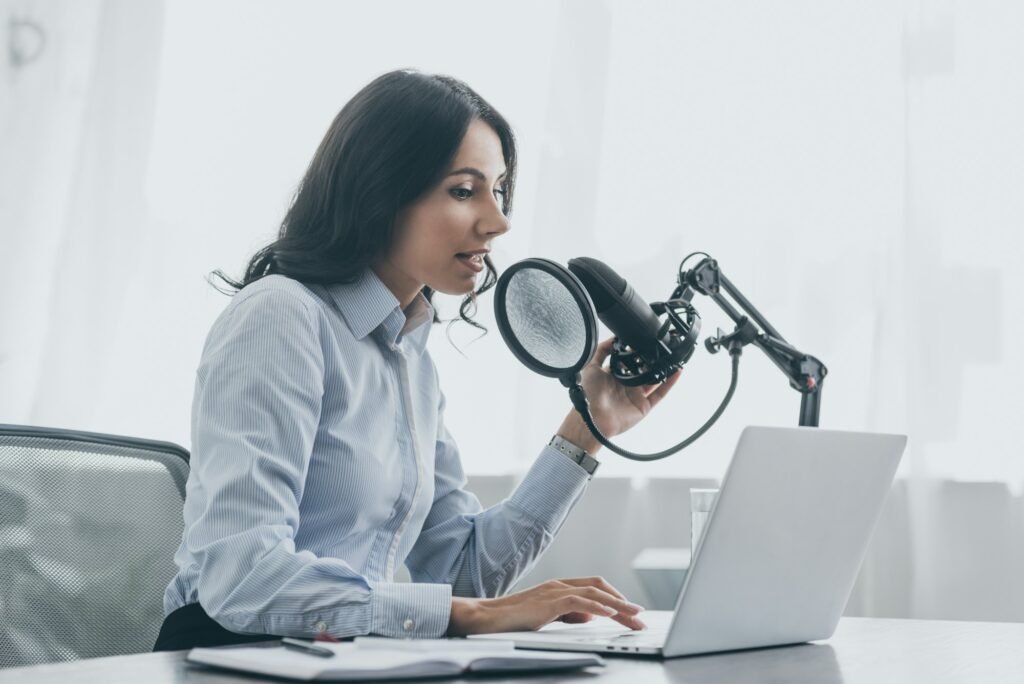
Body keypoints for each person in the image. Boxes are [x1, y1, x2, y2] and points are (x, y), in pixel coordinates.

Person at [153, 69, 680, 651]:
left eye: (498, 190)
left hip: (340, 660)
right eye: (463, 191)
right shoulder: (280, 316)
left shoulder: (411, 358)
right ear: (380, 192)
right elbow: (244, 577)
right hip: (232, 659)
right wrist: (471, 615)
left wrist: (587, 430)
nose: (498, 221)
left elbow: (461, 572)